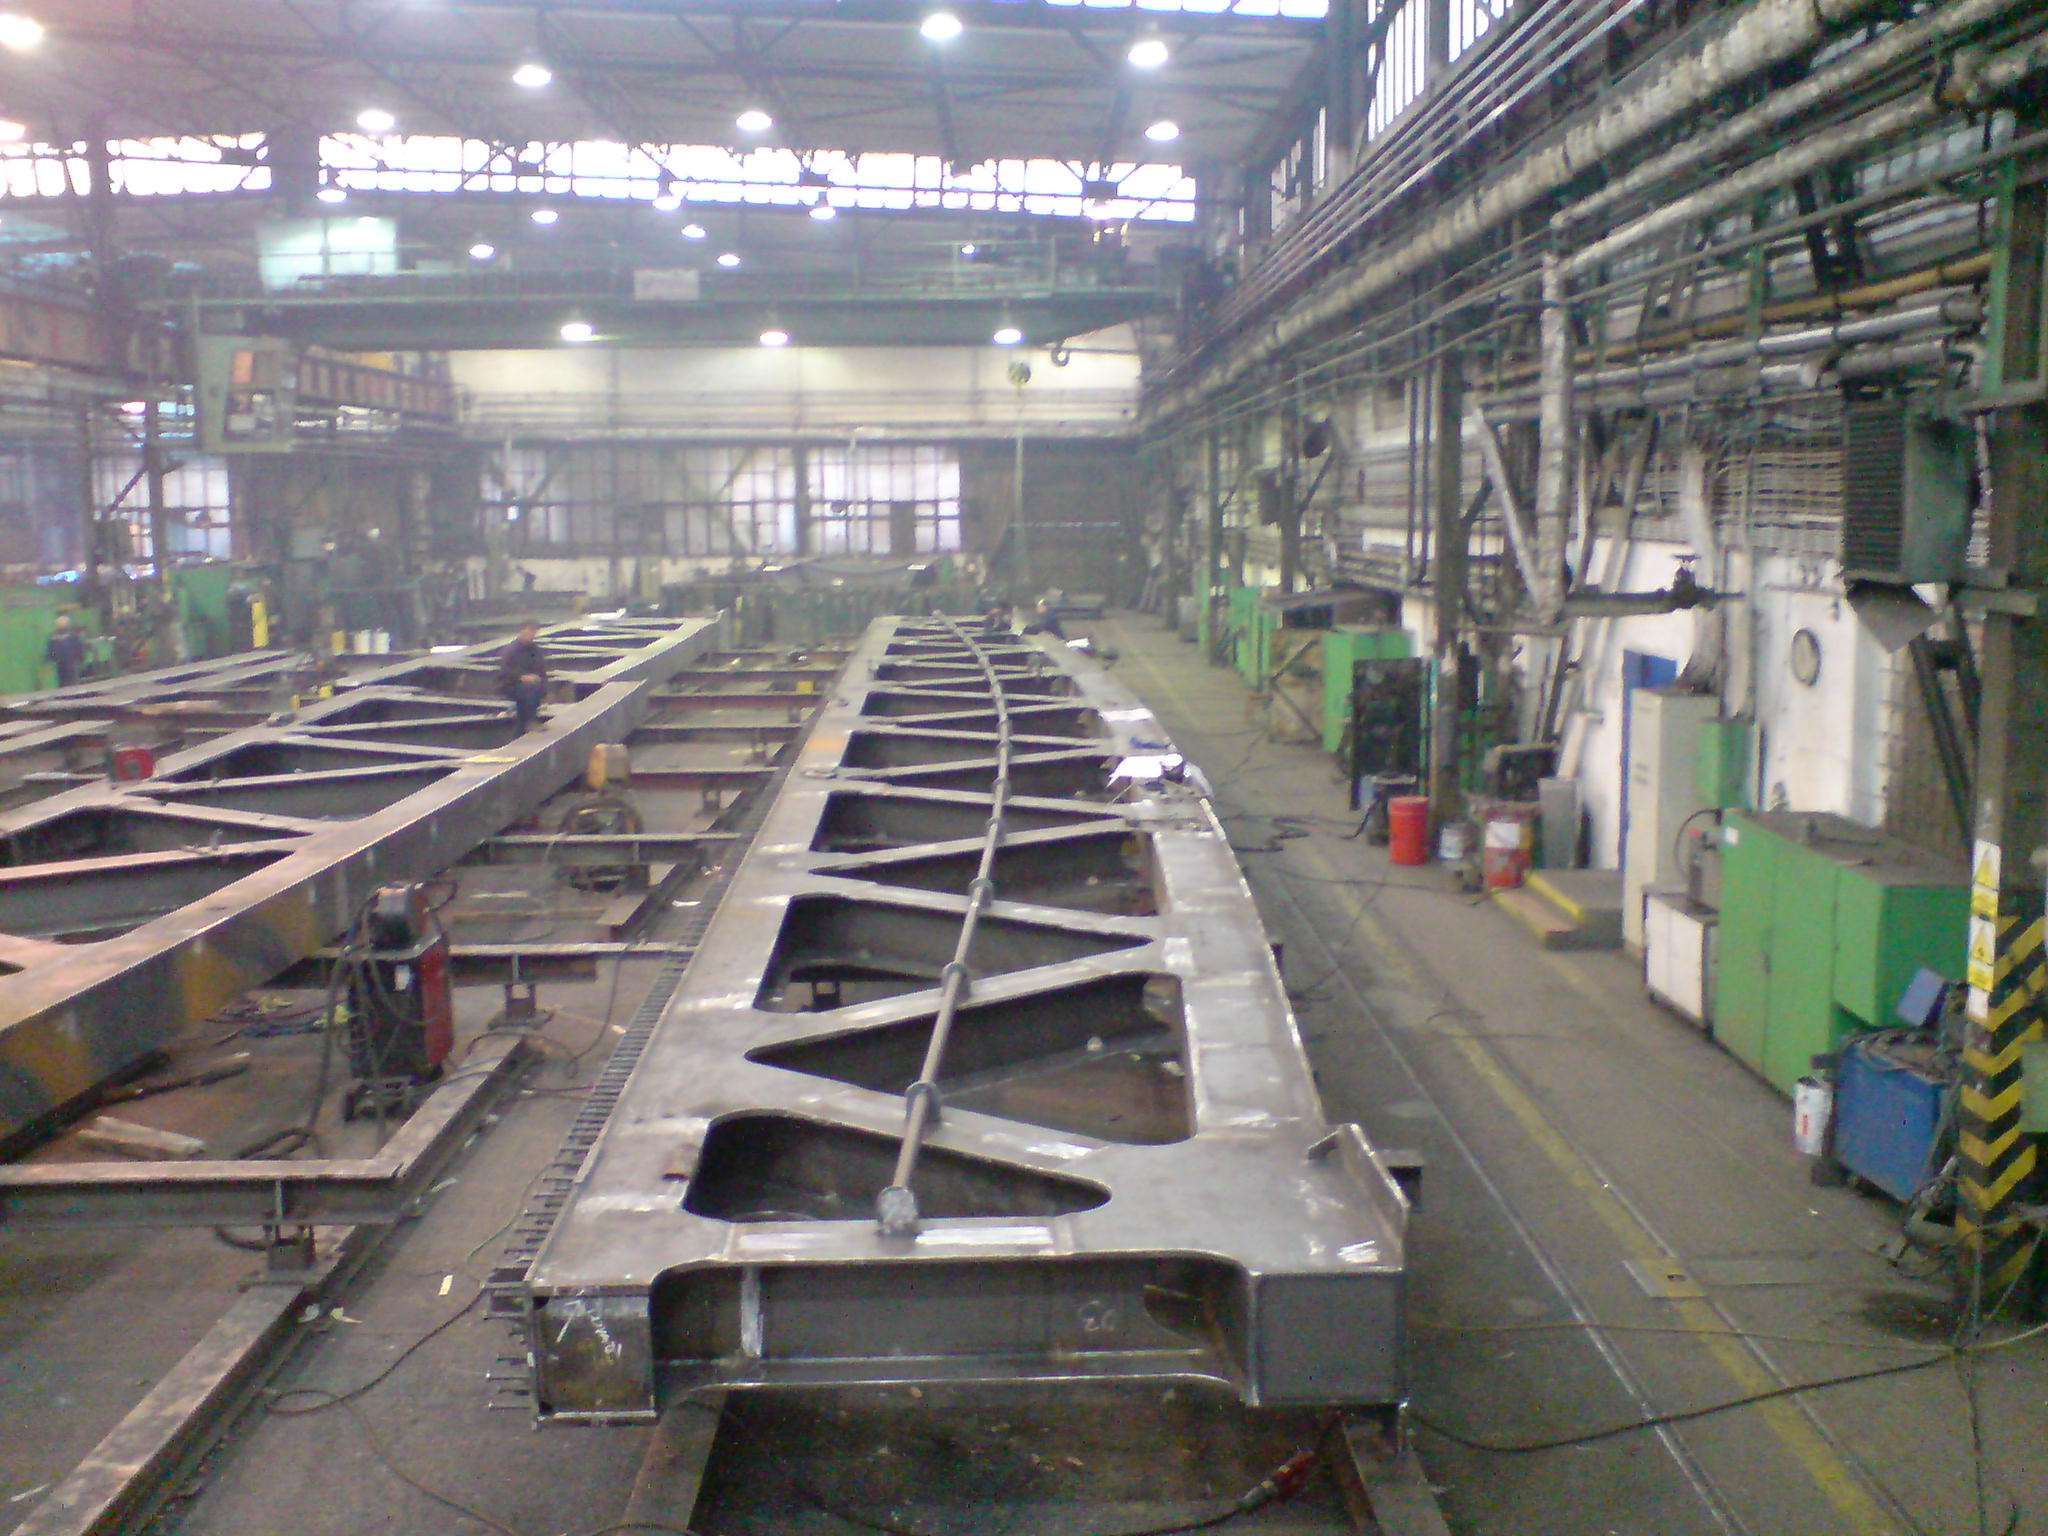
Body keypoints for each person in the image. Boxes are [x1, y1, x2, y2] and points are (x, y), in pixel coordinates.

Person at [497, 620, 550, 732]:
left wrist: (545, 692)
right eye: (529, 631)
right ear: (522, 630)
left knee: (535, 685)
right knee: (529, 688)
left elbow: (542, 671)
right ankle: (529, 721)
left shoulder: (535, 650)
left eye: (534, 631)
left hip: (531, 685)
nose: (531, 634)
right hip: (510, 684)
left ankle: (525, 723)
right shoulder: (511, 649)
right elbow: (505, 670)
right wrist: (521, 677)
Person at [45, 613, 87, 688]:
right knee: (71, 682)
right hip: (69, 665)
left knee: (65, 683)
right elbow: (79, 651)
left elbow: (51, 654)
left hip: (63, 666)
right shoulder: (72, 638)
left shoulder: (54, 639)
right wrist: (81, 659)